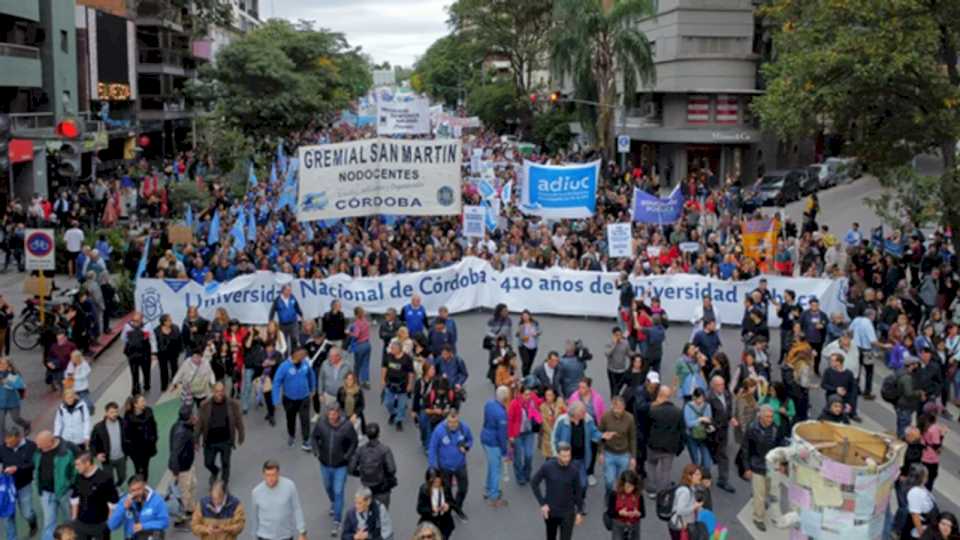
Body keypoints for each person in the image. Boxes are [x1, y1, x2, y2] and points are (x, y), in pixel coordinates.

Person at [310, 404, 358, 536]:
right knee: (328, 487)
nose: (331, 415)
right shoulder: (321, 424)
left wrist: (347, 456)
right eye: (330, 413)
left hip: (340, 466)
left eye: (334, 413)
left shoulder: (347, 426)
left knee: (338, 492)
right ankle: (333, 503)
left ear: (338, 414)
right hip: (324, 464)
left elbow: (354, 442)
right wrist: (316, 451)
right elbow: (314, 437)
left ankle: (337, 521)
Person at [531, 442, 585, 540]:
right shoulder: (547, 466)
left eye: (569, 455)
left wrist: (580, 511)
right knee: (551, 537)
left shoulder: (574, 470)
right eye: (564, 456)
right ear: (557, 454)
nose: (567, 459)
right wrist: (542, 504)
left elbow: (578, 491)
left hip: (568, 512)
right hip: (551, 512)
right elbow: (534, 483)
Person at [196, 382, 245, 486]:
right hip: (210, 442)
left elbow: (238, 421)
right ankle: (215, 471)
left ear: (225, 391)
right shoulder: (205, 405)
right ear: (213, 392)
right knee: (208, 463)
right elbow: (200, 423)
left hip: (225, 441)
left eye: (222, 391)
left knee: (226, 464)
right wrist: (195, 439)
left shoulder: (233, 404)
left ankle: (224, 484)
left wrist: (241, 434)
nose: (220, 393)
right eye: (217, 391)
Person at [427, 410, 472, 522]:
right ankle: (454, 509)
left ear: (458, 419)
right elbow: (432, 448)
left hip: (460, 465)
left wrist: (466, 447)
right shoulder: (439, 430)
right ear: (446, 420)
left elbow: (470, 440)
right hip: (445, 467)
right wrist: (433, 466)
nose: (453, 425)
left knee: (463, 488)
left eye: (455, 422)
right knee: (446, 490)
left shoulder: (464, 428)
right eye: (450, 422)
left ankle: (457, 506)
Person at [550, 401, 603, 490]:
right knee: (566, 484)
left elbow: (594, 433)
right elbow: (554, 438)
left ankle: (579, 500)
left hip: (581, 459)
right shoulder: (562, 420)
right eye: (582, 412)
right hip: (566, 459)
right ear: (575, 413)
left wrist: (602, 435)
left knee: (583, 485)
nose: (585, 413)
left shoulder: (588, 419)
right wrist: (556, 455)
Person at [34, 431, 76, 540]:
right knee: (48, 523)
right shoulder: (38, 451)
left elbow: (77, 469)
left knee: (69, 521)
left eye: (40, 444)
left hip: (64, 492)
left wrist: (69, 484)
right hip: (46, 493)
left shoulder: (68, 449)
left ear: (50, 442)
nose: (38, 446)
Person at [272, 348, 316, 451]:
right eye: (301, 354)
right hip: (289, 399)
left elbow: (311, 375)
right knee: (290, 419)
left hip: (304, 398)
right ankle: (291, 435)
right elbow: (277, 382)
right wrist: (275, 399)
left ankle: (306, 440)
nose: (304, 356)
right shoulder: (284, 366)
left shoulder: (305, 363)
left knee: (305, 420)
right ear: (294, 354)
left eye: (304, 354)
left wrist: (313, 388)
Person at [251, 460, 306, 540]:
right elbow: (254, 517)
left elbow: (297, 508)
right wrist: (253, 537)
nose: (270, 478)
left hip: (285, 536)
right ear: (263, 475)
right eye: (268, 475)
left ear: (278, 474)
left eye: (273, 475)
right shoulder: (256, 492)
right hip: (264, 536)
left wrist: (302, 531)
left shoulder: (289, 486)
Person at [70, 451, 119, 540]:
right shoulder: (78, 477)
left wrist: (108, 524)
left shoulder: (105, 478)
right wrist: (74, 519)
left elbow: (113, 503)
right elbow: (75, 498)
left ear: (87, 463)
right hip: (81, 524)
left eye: (78, 465)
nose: (76, 468)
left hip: (100, 525)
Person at [745, 405, 780, 531]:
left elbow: (779, 447)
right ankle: (758, 518)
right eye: (767, 417)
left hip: (771, 466)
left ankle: (759, 503)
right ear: (760, 416)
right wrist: (747, 467)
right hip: (757, 465)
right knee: (759, 494)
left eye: (771, 416)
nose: (770, 419)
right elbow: (746, 448)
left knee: (766, 490)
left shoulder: (776, 428)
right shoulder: (752, 428)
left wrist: (782, 464)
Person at [646, 385, 684, 496]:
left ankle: (652, 489)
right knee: (665, 470)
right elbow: (681, 430)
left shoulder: (653, 411)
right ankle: (663, 492)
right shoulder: (678, 412)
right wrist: (679, 446)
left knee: (651, 465)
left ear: (659, 395)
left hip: (653, 445)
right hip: (669, 447)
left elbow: (647, 426)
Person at [0, 427, 37, 540]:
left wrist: (18, 468)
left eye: (11, 443)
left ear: (18, 438)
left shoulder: (31, 446)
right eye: (6, 442)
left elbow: (33, 464)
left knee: (27, 513)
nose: (8, 445)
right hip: (7, 486)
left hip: (23, 484)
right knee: (8, 515)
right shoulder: (3, 447)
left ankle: (33, 523)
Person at [349, 423, 397, 509]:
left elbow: (351, 469)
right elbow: (392, 469)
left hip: (366, 487)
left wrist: (361, 473)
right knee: (382, 514)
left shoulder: (360, 450)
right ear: (378, 434)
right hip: (382, 488)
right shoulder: (385, 449)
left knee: (367, 512)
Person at [107, 475, 169, 539]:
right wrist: (123, 508)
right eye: (133, 490)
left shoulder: (157, 500)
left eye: (139, 489)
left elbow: (164, 522)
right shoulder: (125, 501)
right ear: (129, 490)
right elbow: (112, 526)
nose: (136, 493)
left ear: (144, 486)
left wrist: (143, 526)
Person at [598, 395, 636, 494]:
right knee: (609, 480)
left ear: (624, 407)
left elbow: (632, 438)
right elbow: (601, 435)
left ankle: (618, 500)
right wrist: (601, 453)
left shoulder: (630, 418)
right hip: (609, 453)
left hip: (624, 454)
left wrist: (633, 457)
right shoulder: (606, 416)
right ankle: (609, 495)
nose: (616, 410)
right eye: (614, 408)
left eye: (619, 408)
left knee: (621, 481)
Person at [480, 386, 511, 507]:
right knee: (496, 469)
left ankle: (488, 488)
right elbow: (502, 435)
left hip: (485, 437)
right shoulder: (501, 414)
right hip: (494, 442)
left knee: (491, 465)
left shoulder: (489, 404)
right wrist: (504, 451)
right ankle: (494, 495)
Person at [507, 381, 542, 486]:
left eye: (529, 394)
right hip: (518, 434)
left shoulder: (533, 399)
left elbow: (540, 402)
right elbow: (509, 420)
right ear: (521, 394)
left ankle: (527, 474)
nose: (528, 396)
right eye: (526, 394)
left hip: (529, 432)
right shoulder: (514, 404)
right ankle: (519, 476)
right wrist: (510, 436)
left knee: (528, 455)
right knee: (518, 457)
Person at [705, 375, 736, 493]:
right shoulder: (708, 398)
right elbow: (706, 415)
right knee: (708, 455)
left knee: (723, 455)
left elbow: (728, 409)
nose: (721, 387)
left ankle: (723, 480)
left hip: (723, 430)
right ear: (712, 386)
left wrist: (730, 418)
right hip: (712, 431)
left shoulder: (727, 395)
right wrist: (711, 427)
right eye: (718, 385)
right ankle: (704, 478)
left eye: (722, 384)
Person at [167, 404, 195, 527]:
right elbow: (175, 452)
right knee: (184, 492)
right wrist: (176, 471)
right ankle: (185, 516)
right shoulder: (181, 432)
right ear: (188, 417)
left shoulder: (182, 426)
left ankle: (189, 509)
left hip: (186, 465)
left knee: (191, 486)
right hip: (182, 468)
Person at [121, 394, 158, 481]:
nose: (144, 403)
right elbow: (126, 435)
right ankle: (139, 483)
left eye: (144, 401)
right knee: (138, 468)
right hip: (136, 450)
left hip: (147, 447)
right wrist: (128, 449)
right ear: (135, 404)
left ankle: (144, 483)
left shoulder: (149, 412)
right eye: (142, 401)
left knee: (145, 467)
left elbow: (153, 426)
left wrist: (154, 438)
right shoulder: (129, 418)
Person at [90, 402, 126, 487]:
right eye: (112, 412)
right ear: (106, 413)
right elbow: (92, 443)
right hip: (107, 460)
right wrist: (96, 454)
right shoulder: (98, 427)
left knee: (123, 476)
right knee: (109, 479)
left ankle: (118, 485)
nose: (115, 414)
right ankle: (113, 491)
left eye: (116, 412)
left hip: (121, 457)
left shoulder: (123, 423)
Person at [382, 341, 415, 431]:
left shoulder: (407, 358)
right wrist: (382, 379)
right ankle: (393, 413)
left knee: (401, 405)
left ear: (398, 349)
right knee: (388, 403)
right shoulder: (388, 356)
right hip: (390, 384)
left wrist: (410, 384)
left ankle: (399, 420)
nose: (391, 349)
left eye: (393, 348)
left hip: (402, 386)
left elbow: (410, 373)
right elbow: (384, 368)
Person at [121, 313, 155, 395]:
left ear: (141, 319)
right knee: (134, 372)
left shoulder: (147, 326)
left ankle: (147, 384)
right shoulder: (127, 326)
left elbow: (152, 338)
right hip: (133, 354)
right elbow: (123, 338)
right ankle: (135, 388)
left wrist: (153, 353)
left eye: (137, 321)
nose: (135, 322)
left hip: (145, 353)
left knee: (146, 371)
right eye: (134, 320)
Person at [668, 464, 704, 540]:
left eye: (700, 474)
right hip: (679, 526)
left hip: (685, 524)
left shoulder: (692, 487)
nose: (700, 477)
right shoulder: (685, 491)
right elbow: (680, 510)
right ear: (689, 476)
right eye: (697, 474)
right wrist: (695, 506)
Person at [416, 469, 454, 540]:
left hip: (445, 522)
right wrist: (431, 510)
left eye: (438, 481)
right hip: (431, 522)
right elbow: (420, 509)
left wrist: (448, 506)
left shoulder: (445, 487)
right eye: (434, 482)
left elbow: (451, 501)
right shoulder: (424, 490)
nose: (437, 484)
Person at [605, 469, 644, 540]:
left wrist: (638, 513)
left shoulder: (639, 495)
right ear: (622, 484)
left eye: (632, 486)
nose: (629, 489)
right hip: (619, 524)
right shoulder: (614, 494)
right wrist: (620, 513)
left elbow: (643, 513)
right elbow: (610, 512)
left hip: (634, 525)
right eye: (627, 486)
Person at [820, 352, 858, 422]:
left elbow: (852, 390)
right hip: (831, 400)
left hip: (844, 401)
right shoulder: (828, 371)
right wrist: (836, 389)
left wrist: (850, 404)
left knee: (843, 421)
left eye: (832, 361)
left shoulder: (849, 373)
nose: (830, 362)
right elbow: (823, 385)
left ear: (839, 362)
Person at [896, 356, 926, 439]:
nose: (917, 365)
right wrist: (919, 392)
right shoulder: (907, 377)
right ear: (911, 365)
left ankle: (899, 440)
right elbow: (908, 393)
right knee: (904, 429)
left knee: (900, 426)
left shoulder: (901, 372)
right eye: (915, 364)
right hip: (905, 406)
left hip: (900, 404)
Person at [905, 463, 937, 539]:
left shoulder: (921, 487)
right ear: (920, 477)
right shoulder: (915, 492)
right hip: (919, 528)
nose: (927, 478)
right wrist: (922, 534)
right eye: (926, 476)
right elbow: (915, 516)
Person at [0, 358, 28, 436]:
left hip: (13, 402)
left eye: (3, 364)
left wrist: (8, 382)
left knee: (16, 419)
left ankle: (26, 425)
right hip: (1, 403)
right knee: (0, 424)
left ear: (9, 366)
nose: (0, 365)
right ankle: (4, 441)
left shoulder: (13, 375)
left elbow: (19, 386)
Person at [155, 314, 183, 392]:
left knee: (174, 367)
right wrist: (154, 353)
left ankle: (175, 383)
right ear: (164, 322)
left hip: (173, 352)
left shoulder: (175, 328)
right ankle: (164, 385)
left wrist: (180, 349)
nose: (171, 321)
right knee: (163, 370)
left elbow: (179, 339)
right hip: (162, 353)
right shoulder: (156, 330)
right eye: (169, 320)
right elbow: (154, 343)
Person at [919, 412, 945, 491]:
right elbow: (936, 445)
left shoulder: (922, 426)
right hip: (932, 459)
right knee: (930, 480)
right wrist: (942, 435)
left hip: (923, 456)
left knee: (921, 478)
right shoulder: (934, 428)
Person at [539, 386, 566, 459]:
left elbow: (565, 417)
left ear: (554, 396)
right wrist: (552, 433)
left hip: (560, 436)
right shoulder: (543, 407)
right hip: (548, 437)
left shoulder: (559, 404)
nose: (548, 397)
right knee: (550, 459)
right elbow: (544, 423)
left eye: (550, 395)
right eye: (546, 395)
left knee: (560, 458)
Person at [349, 307, 373, 388]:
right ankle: (366, 381)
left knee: (357, 365)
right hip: (367, 344)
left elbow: (356, 335)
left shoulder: (357, 323)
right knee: (365, 364)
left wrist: (349, 333)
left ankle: (356, 381)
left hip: (360, 346)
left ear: (355, 314)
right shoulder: (365, 321)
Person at [605, 327, 631, 397]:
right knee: (613, 388)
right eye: (616, 335)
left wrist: (635, 355)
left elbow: (629, 353)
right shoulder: (609, 342)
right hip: (612, 370)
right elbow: (607, 354)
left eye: (620, 335)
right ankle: (613, 399)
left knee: (618, 389)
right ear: (613, 335)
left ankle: (615, 398)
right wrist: (614, 344)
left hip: (622, 370)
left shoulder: (625, 342)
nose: (619, 337)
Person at [516, 310, 541, 377]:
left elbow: (540, 331)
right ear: (521, 317)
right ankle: (524, 377)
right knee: (525, 362)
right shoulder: (521, 325)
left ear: (529, 316)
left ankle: (527, 375)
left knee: (530, 362)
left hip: (533, 346)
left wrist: (536, 333)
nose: (525, 317)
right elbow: (520, 336)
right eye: (523, 316)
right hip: (523, 346)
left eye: (526, 316)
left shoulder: (535, 323)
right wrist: (520, 335)